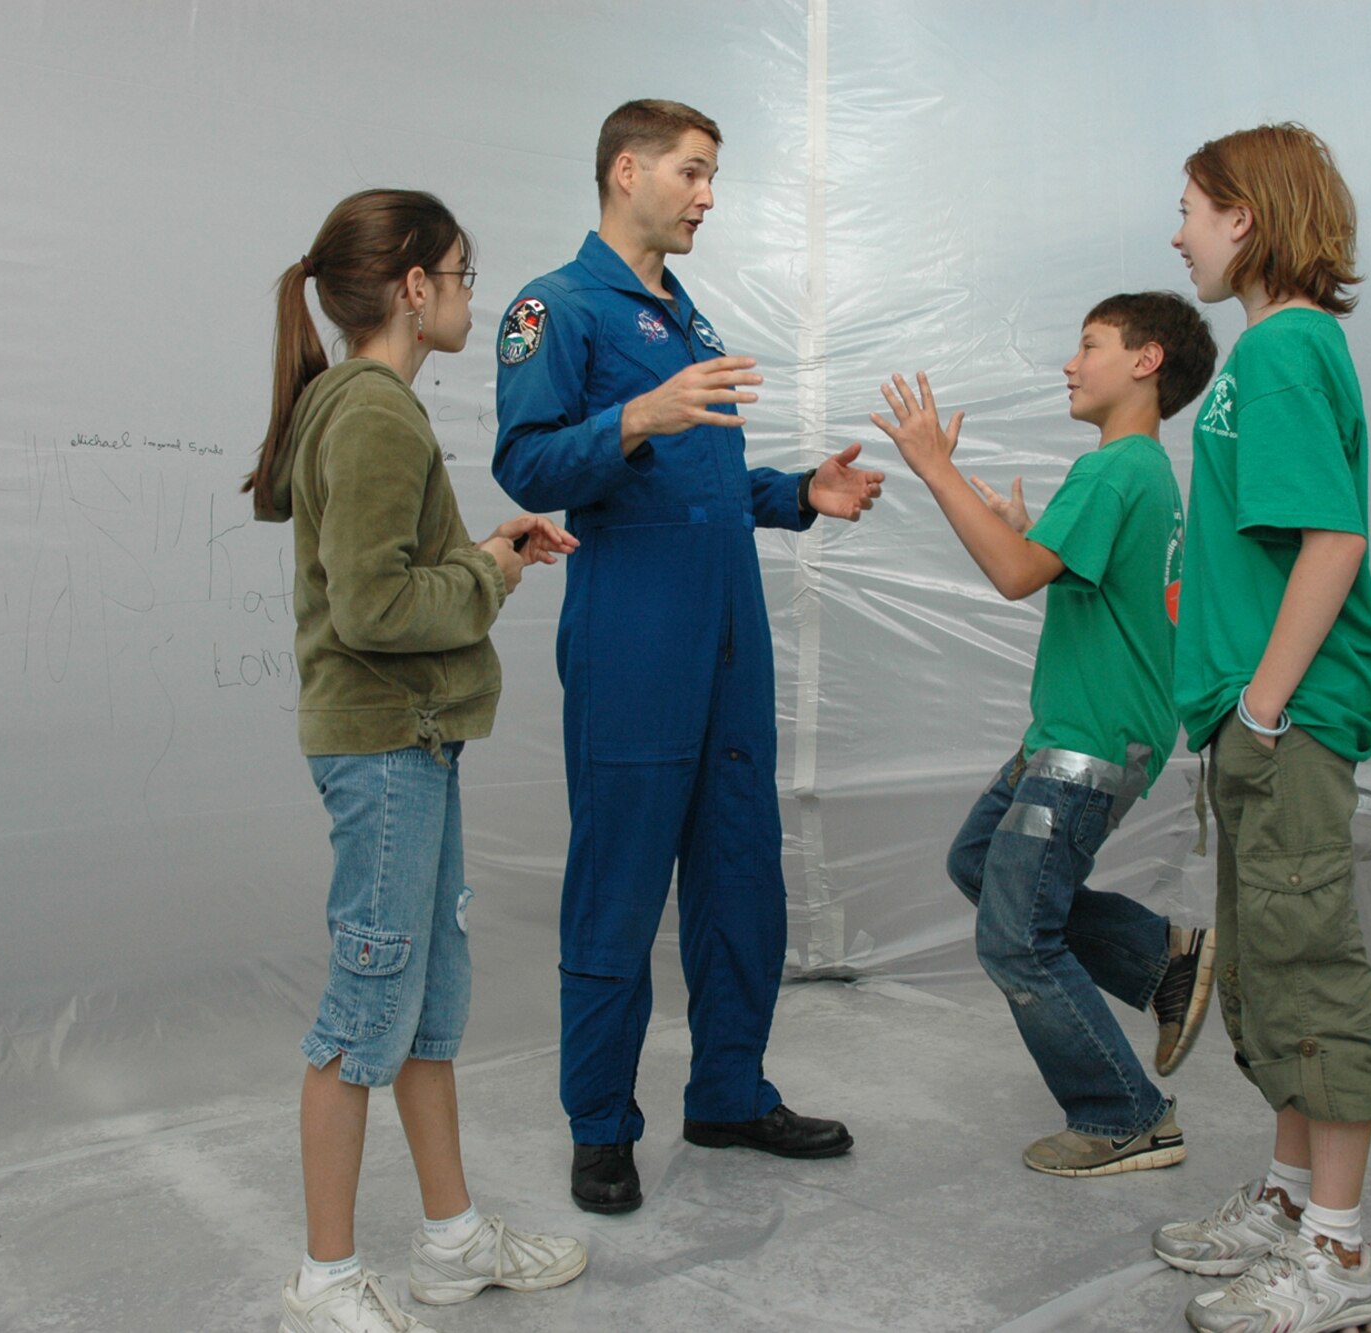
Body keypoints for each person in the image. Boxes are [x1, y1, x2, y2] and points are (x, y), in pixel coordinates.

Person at [491, 99, 884, 1215]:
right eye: (693, 172)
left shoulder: (687, 317)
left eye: (713, 175)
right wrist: (633, 418)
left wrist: (797, 493)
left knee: (739, 871)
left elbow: (699, 482)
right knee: (618, 881)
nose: (708, 195)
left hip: (726, 638)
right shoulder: (554, 308)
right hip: (635, 639)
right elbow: (526, 465)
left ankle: (726, 1090)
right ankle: (600, 1127)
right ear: (627, 170)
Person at [247, 188, 586, 1333]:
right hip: (386, 747)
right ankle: (327, 1280)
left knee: (425, 1004)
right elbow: (375, 607)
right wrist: (490, 575)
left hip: (410, 743)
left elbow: (383, 577)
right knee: (364, 1011)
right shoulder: (376, 412)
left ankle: (450, 1243)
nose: (469, 294)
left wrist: (488, 545)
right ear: (412, 289)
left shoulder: (361, 406)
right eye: (459, 273)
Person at [870, 292, 1220, 1177]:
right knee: (979, 864)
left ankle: (1123, 1114)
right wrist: (1030, 529)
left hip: (1087, 741)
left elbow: (1016, 577)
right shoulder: (1139, 472)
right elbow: (1067, 567)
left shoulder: (1113, 470)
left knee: (1016, 936)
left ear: (1146, 362)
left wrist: (932, 466)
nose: (1071, 363)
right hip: (1080, 732)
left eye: (1089, 344)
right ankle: (1160, 957)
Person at [1153, 125, 1371, 1333]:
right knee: (1262, 975)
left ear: (1243, 218)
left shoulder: (1288, 347)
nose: (1178, 232)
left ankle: (1339, 1261)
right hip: (1254, 723)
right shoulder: (1263, 354)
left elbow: (1331, 539)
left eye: (1191, 209)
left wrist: (1257, 707)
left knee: (1306, 968)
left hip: (1284, 720)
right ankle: (1292, 1200)